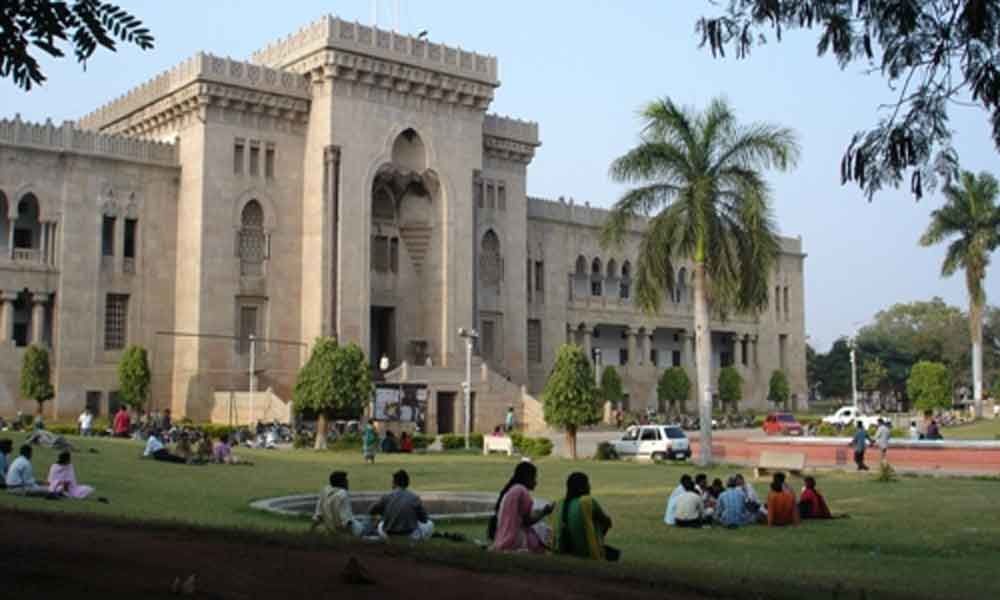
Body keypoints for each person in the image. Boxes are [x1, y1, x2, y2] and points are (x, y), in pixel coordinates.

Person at [491, 462, 553, 553]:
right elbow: (527, 522)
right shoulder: (522, 492)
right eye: (534, 478)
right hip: (515, 540)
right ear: (527, 478)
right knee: (544, 535)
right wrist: (544, 513)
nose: (536, 482)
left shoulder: (511, 490)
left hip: (501, 538)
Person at [552, 472, 615, 560]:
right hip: (588, 554)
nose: (589, 487)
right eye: (587, 484)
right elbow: (607, 522)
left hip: (560, 552)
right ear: (582, 487)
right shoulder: (587, 501)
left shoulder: (559, 504)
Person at [369, 469, 434, 541]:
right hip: (410, 536)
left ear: (394, 483)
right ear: (407, 483)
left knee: (381, 523)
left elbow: (371, 510)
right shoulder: (414, 497)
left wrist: (383, 512)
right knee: (430, 524)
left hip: (388, 535)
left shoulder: (386, 496)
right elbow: (424, 519)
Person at [312, 471, 371, 537]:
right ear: (342, 483)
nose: (347, 482)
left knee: (361, 519)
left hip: (330, 530)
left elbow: (317, 516)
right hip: (344, 532)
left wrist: (310, 532)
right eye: (346, 480)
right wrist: (352, 537)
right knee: (370, 522)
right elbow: (347, 521)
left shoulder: (325, 491)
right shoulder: (342, 494)